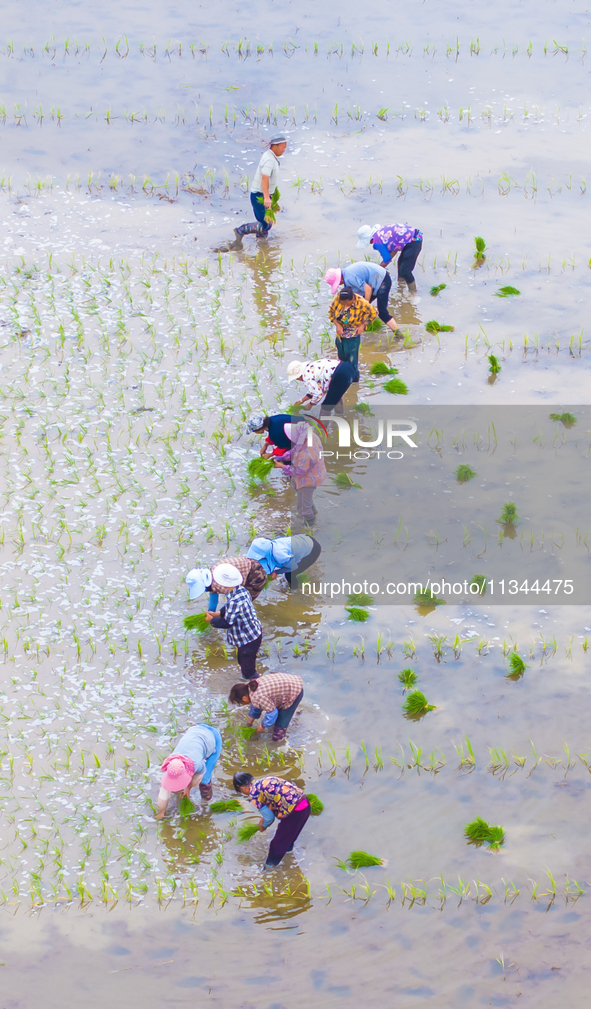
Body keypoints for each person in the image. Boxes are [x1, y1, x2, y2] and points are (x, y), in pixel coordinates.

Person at [233, 771, 311, 867]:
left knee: (276, 845)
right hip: (305, 805)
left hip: (295, 812)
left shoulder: (254, 794)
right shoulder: (265, 780)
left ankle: (269, 869)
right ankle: (289, 859)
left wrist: (262, 826)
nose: (243, 793)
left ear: (242, 788)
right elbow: (275, 798)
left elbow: (269, 818)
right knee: (288, 839)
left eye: (241, 791)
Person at [204, 563, 263, 679]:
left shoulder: (235, 601)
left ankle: (257, 684)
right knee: (242, 660)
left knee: (247, 670)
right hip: (252, 633)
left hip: (249, 639)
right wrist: (218, 614)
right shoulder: (241, 590)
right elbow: (229, 608)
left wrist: (212, 620)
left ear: (224, 583)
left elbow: (227, 623)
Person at [157, 723, 223, 817]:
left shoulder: (197, 764)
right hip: (194, 729)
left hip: (213, 738)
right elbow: (164, 789)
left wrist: (188, 788)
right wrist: (161, 812)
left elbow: (201, 772)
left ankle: (207, 803)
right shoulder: (171, 762)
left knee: (204, 779)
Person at [234, 135, 287, 240]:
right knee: (265, 224)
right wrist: (267, 198)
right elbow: (265, 178)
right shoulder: (269, 160)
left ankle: (262, 244)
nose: (284, 150)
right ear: (275, 146)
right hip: (259, 195)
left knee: (265, 223)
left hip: (263, 194)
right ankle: (241, 230)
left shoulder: (270, 156)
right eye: (283, 147)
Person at [324, 262, 400, 334]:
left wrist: (365, 308)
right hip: (373, 283)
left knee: (382, 313)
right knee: (357, 308)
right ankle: (367, 324)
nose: (339, 284)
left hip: (382, 280)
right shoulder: (346, 278)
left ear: (339, 279)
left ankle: (398, 334)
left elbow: (368, 289)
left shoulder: (350, 277)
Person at [274, 422, 326, 525]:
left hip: (308, 480)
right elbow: (295, 450)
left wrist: (282, 466)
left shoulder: (305, 454)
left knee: (303, 508)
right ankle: (313, 511)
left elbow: (299, 472)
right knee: (301, 493)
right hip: (314, 472)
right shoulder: (310, 437)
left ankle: (310, 526)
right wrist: (283, 458)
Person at [229, 672, 304, 742]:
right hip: (287, 685)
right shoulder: (251, 688)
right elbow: (255, 707)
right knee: (273, 720)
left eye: (240, 703)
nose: (242, 704)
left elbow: (272, 714)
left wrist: (262, 726)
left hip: (294, 691)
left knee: (278, 730)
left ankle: (279, 743)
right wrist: (250, 722)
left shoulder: (258, 697)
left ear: (244, 698)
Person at [356, 222, 423, 294]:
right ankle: (401, 285)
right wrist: (381, 266)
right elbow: (394, 250)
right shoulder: (381, 233)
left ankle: (413, 292)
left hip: (414, 241)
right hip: (413, 237)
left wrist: (378, 269)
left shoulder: (377, 242)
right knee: (400, 263)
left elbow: (387, 258)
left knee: (405, 271)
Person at [327, 285, 377, 379]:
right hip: (341, 331)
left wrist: (363, 325)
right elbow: (331, 313)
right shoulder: (337, 299)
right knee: (342, 357)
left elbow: (374, 313)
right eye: (343, 303)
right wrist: (338, 325)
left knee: (352, 358)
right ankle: (343, 377)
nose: (345, 305)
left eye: (347, 303)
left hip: (354, 331)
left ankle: (354, 380)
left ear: (353, 298)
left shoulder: (361, 302)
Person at [185, 557, 267, 614]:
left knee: (243, 602)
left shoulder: (220, 584)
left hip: (255, 574)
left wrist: (221, 615)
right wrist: (211, 611)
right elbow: (213, 598)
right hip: (250, 562)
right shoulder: (212, 574)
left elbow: (234, 601)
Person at [247, 534, 321, 587]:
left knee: (290, 574)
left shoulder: (279, 556)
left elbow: (294, 567)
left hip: (313, 549)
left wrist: (276, 572)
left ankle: (295, 591)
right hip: (304, 538)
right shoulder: (269, 545)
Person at [287, 358, 356, 416]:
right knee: (335, 395)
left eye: (296, 378)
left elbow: (318, 394)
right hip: (347, 367)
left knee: (326, 406)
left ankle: (321, 429)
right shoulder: (311, 367)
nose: (298, 380)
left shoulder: (306, 377)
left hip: (341, 375)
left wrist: (310, 404)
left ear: (298, 376)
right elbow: (315, 389)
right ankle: (340, 415)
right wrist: (301, 401)